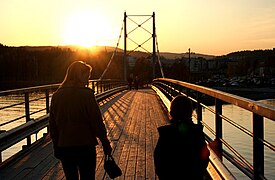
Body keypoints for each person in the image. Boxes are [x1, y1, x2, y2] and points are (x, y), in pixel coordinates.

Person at [49, 61, 112, 180]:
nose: (88, 81)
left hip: (65, 147)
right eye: (87, 76)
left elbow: (53, 126)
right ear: (79, 75)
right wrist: (105, 142)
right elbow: (96, 122)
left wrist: (56, 147)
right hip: (85, 146)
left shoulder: (56, 96)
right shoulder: (87, 95)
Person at [154, 95, 210, 179]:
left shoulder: (166, 134)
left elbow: (159, 160)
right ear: (190, 112)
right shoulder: (196, 132)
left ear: (171, 113)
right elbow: (204, 158)